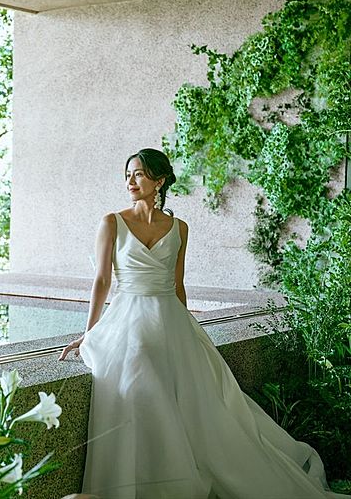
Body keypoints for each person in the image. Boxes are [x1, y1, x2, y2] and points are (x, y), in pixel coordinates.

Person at [58, 148, 348, 499]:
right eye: (128, 175)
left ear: (159, 181)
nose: (130, 181)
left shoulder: (179, 228)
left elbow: (178, 285)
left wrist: (188, 332)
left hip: (171, 319)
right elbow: (102, 281)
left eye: (139, 174)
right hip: (128, 316)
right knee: (137, 378)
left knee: (194, 408)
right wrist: (89, 333)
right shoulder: (111, 223)